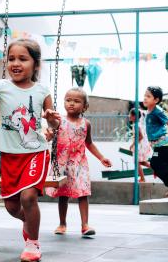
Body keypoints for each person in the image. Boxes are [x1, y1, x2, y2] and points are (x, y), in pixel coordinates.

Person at [0, 38, 61, 262]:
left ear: (36, 64)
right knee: (12, 207)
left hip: (35, 152)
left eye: (23, 58)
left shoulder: (42, 91)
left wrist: (52, 120)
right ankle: (28, 222)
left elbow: (54, 125)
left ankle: (33, 243)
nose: (15, 63)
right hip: (9, 156)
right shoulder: (1, 86)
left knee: (28, 197)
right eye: (11, 59)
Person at [45, 87, 112, 238]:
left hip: (79, 163)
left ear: (85, 106)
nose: (71, 104)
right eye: (68, 100)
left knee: (83, 193)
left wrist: (101, 157)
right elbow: (51, 125)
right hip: (62, 163)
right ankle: (62, 223)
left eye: (76, 101)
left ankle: (85, 225)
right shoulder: (60, 120)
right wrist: (48, 118)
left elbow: (89, 143)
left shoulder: (86, 124)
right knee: (63, 195)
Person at [143, 86, 168, 197]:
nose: (145, 98)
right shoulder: (149, 111)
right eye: (145, 95)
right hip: (158, 146)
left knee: (155, 163)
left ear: (156, 100)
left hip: (164, 144)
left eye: (148, 96)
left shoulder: (158, 111)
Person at [128, 108, 153, 183]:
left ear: (134, 116)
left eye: (130, 115)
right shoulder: (138, 124)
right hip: (142, 145)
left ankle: (142, 178)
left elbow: (140, 136)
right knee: (141, 162)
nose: (129, 116)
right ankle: (157, 169)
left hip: (139, 146)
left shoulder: (136, 125)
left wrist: (132, 144)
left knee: (136, 162)